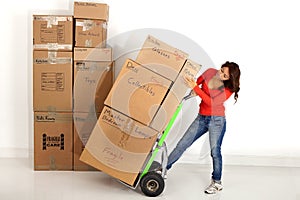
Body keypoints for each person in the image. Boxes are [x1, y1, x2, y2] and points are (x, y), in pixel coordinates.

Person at [166, 61, 241, 194]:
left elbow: (211, 102)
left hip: (216, 121)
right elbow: (198, 82)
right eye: (221, 70)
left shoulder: (228, 90)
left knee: (215, 152)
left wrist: (196, 88)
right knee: (182, 144)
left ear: (229, 78)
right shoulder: (210, 72)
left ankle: (217, 182)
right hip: (202, 118)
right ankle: (163, 169)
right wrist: (194, 87)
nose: (220, 74)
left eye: (224, 75)